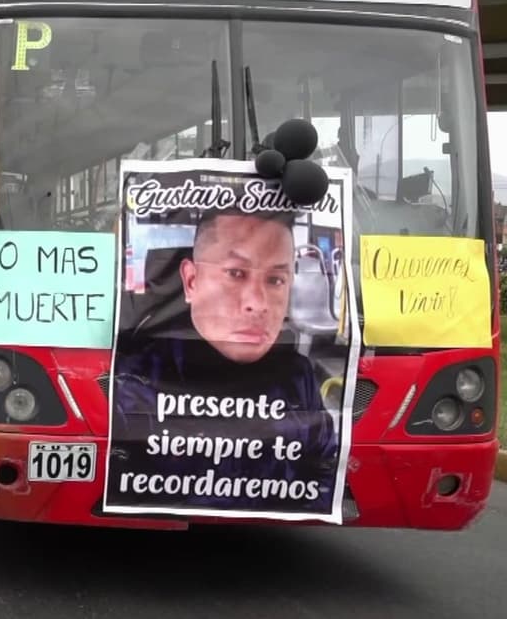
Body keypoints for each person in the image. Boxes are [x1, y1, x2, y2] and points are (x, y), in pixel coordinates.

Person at [109, 209, 339, 512]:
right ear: (191, 281)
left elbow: (325, 472)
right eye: (236, 273)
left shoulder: (298, 376)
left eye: (275, 280)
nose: (257, 304)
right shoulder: (135, 380)